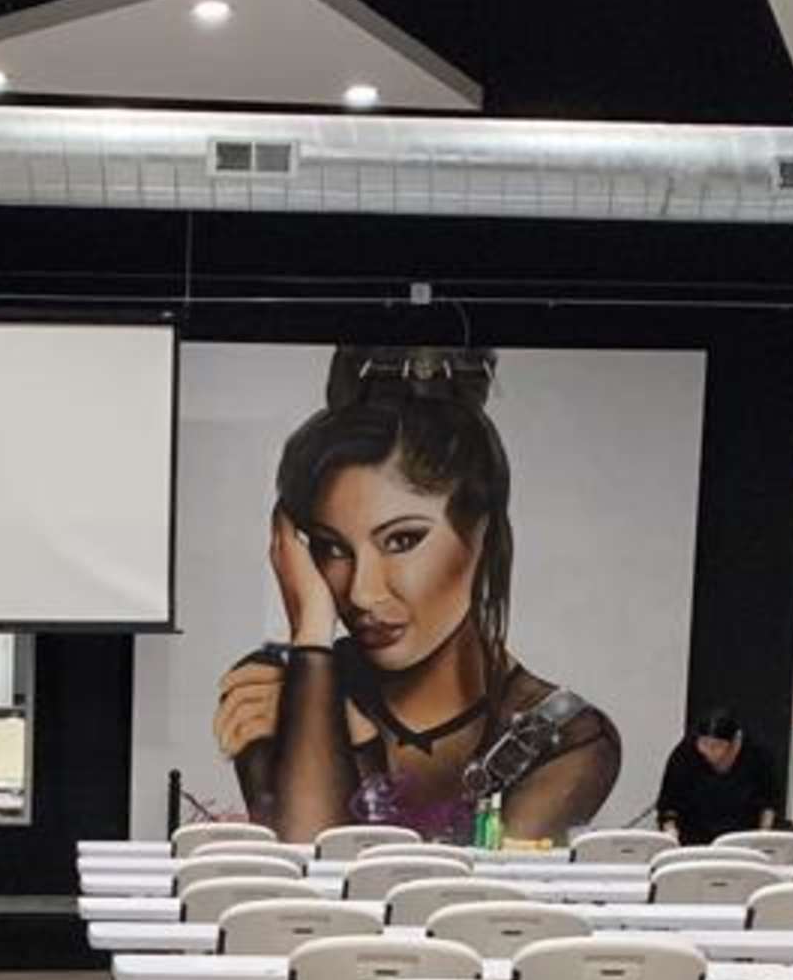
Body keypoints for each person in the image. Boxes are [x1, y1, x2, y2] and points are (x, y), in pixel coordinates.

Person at [212, 349, 619, 844]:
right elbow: (306, 877)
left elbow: (467, 904)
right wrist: (312, 639)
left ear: (481, 535)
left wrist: (359, 745)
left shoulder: (567, 736)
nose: (362, 592)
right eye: (331, 548)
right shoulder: (282, 686)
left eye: (403, 540)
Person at [654, 710, 778, 845]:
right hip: (693, 841)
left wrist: (763, 839)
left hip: (743, 841)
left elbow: (769, 805)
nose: (708, 752)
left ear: (736, 741)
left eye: (716, 746)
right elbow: (668, 807)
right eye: (703, 744)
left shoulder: (758, 756)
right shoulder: (684, 754)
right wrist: (672, 838)